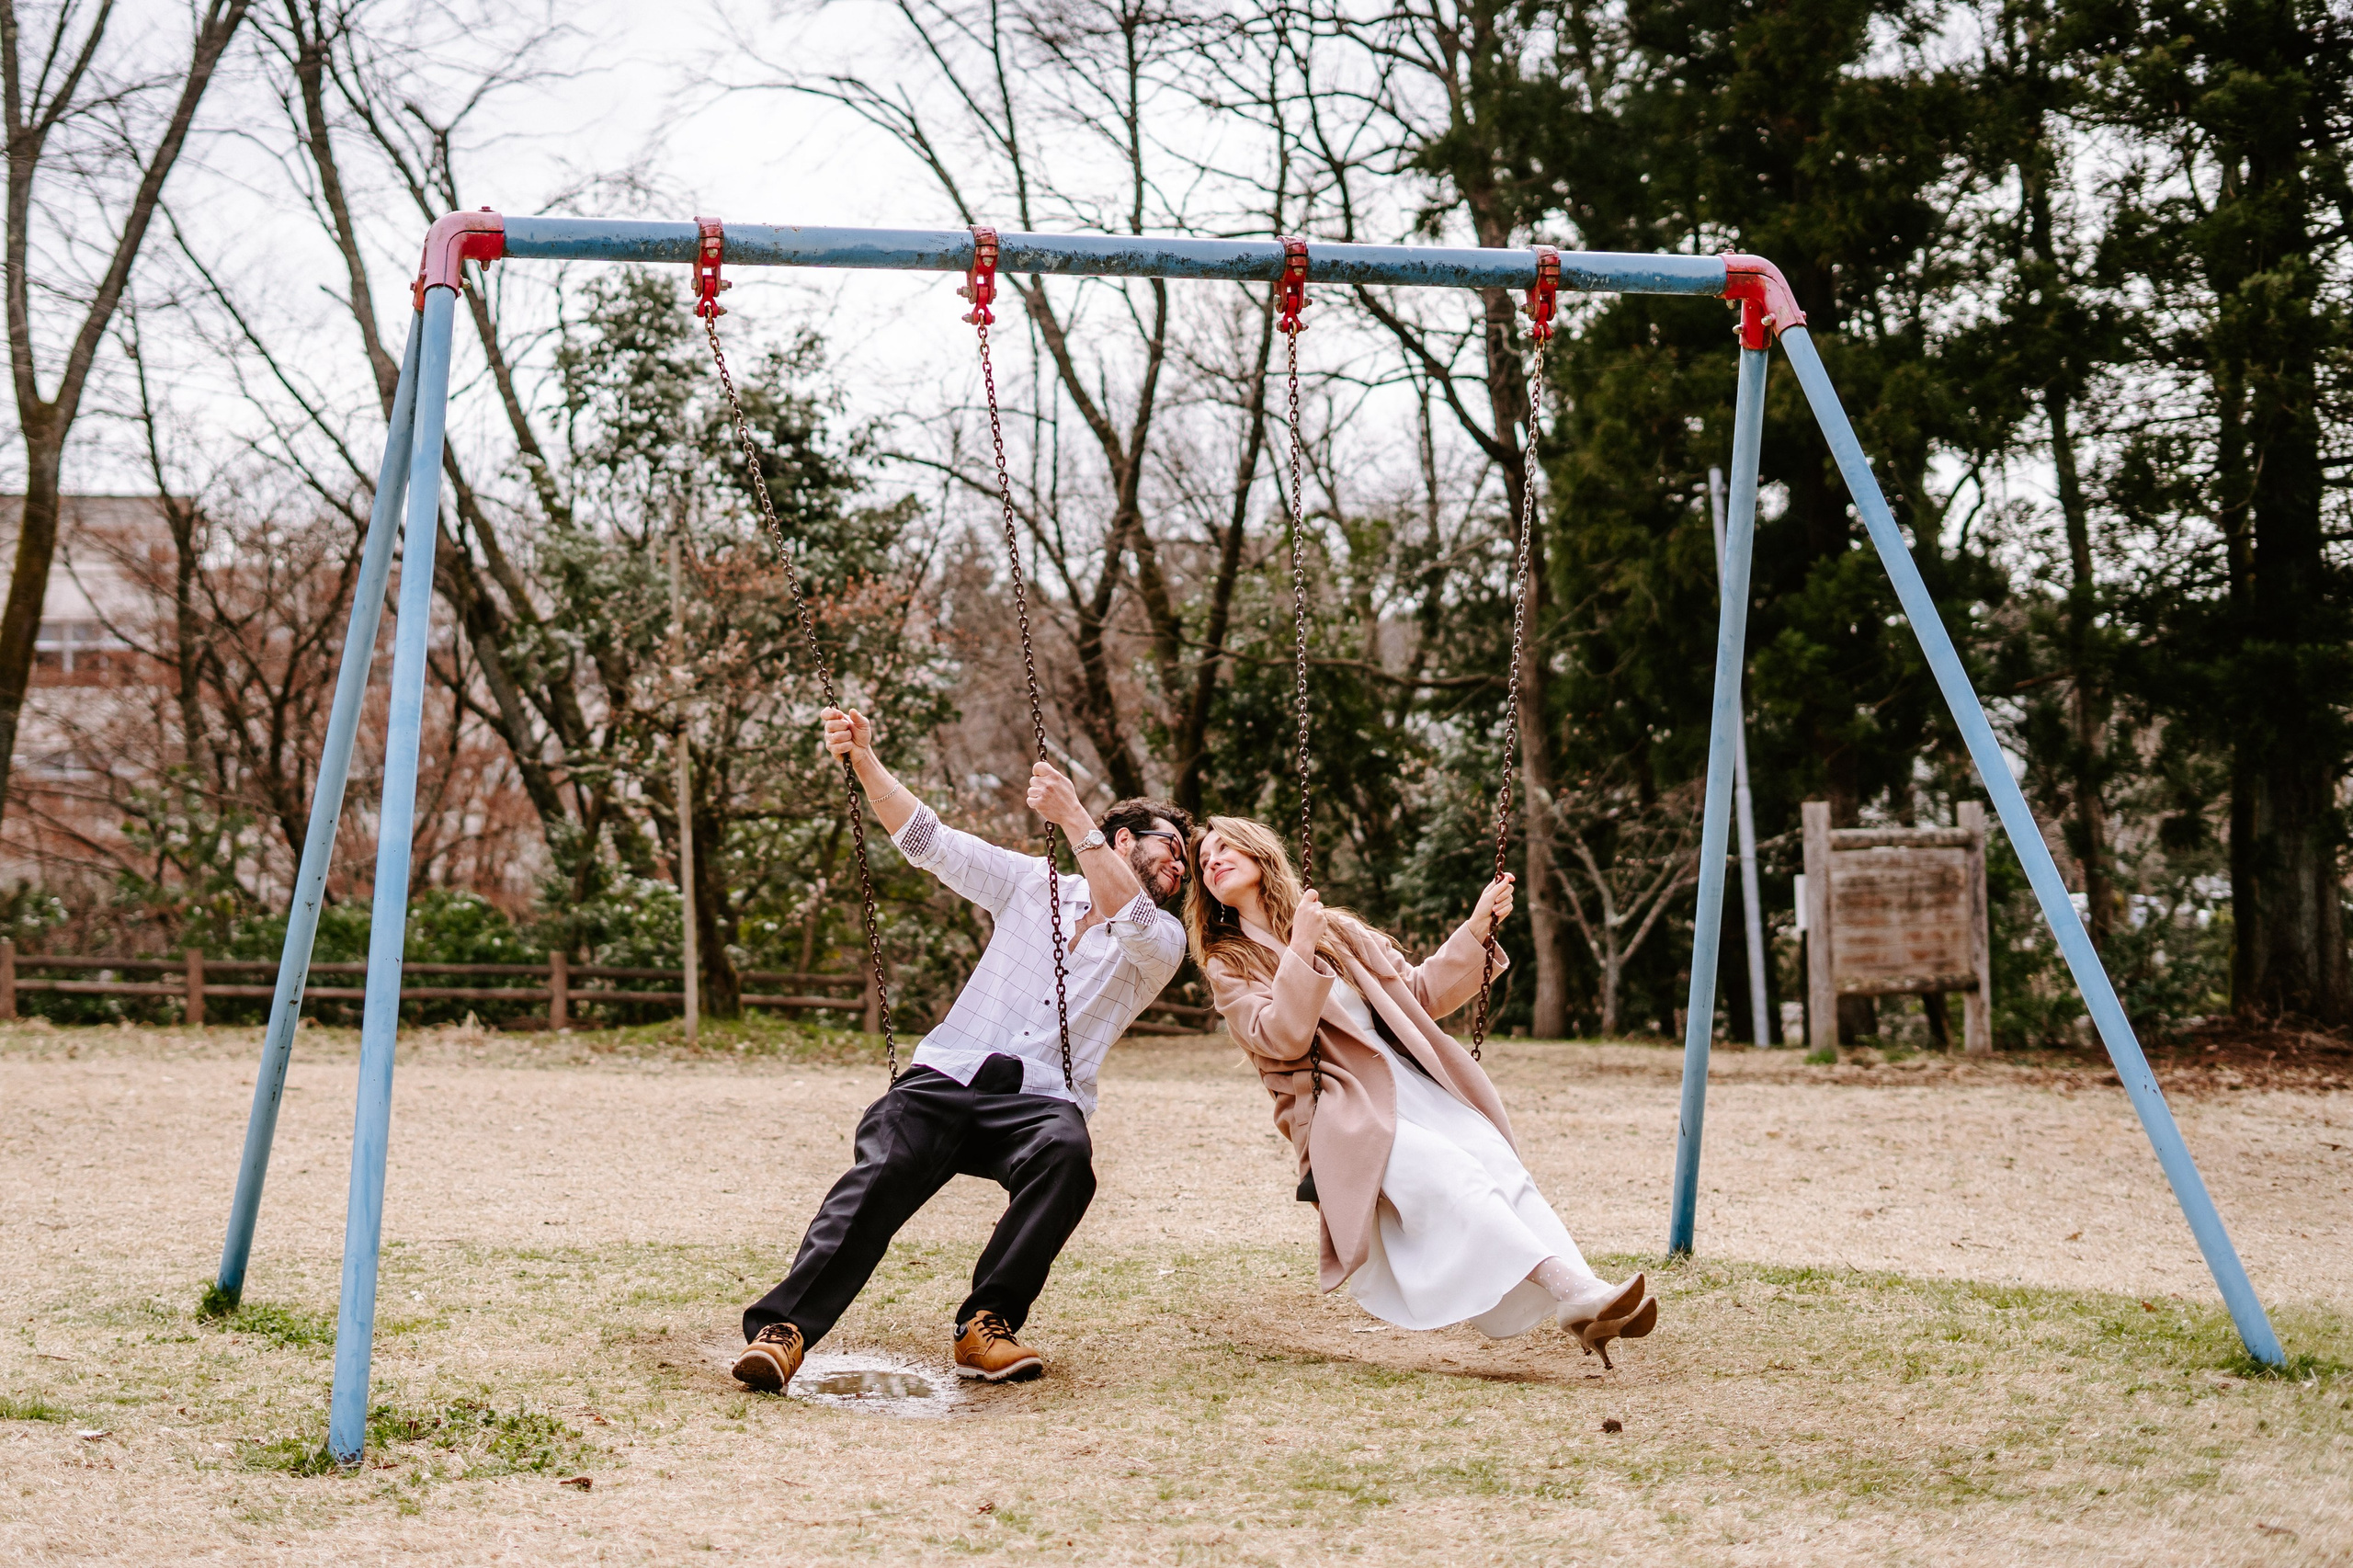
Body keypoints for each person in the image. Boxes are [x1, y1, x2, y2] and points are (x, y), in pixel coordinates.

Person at [733, 707, 1190, 1392]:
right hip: (948, 1076)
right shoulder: (1033, 886)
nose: (1183, 866)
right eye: (1172, 849)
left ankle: (986, 1326)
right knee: (885, 1164)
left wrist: (1074, 819)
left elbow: (1133, 917)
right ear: (1126, 840)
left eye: (1188, 861)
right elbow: (928, 839)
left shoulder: (1161, 941)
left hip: (1040, 1101)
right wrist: (863, 760)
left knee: (1068, 1156)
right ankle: (786, 1329)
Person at [1186, 815, 1657, 1366]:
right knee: (1456, 1179)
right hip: (1346, 1108)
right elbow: (1280, 1037)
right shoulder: (1230, 962)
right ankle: (1576, 1295)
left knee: (1498, 1167)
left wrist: (1477, 929)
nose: (1212, 861)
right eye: (1203, 862)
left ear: (1259, 853)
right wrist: (1300, 950)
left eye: (1225, 848)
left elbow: (1417, 993)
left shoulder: (1337, 929)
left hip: (1411, 1082)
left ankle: (1585, 1295)